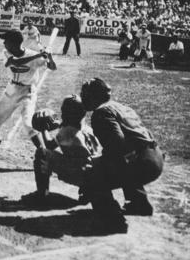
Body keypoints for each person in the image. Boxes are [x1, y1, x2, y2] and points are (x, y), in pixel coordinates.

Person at [79, 78, 164, 225]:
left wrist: (98, 164)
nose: (83, 98)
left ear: (95, 96)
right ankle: (139, 204)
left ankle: (111, 218)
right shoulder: (117, 106)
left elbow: (117, 143)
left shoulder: (100, 112)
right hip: (155, 156)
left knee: (93, 171)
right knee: (121, 161)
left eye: (86, 94)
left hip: (143, 161)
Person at [0, 29, 56, 151]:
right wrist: (40, 54)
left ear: (14, 43)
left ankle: (43, 151)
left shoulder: (32, 55)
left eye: (6, 41)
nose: (4, 44)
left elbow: (52, 67)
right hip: (12, 89)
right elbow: (16, 62)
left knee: (28, 123)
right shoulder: (7, 53)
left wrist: (49, 56)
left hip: (27, 92)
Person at [21, 95, 101, 206]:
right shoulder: (88, 129)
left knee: (42, 153)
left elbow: (49, 145)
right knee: (82, 161)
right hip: (97, 176)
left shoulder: (67, 131)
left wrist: (43, 128)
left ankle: (42, 195)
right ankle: (87, 191)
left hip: (81, 176)